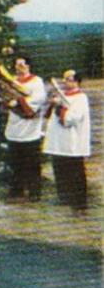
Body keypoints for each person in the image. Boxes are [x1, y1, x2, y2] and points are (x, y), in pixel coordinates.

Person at [43, 70, 90, 214]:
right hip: (58, 140)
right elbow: (47, 116)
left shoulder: (81, 97)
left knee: (75, 171)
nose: (65, 82)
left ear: (76, 81)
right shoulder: (62, 95)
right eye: (64, 79)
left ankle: (79, 202)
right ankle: (64, 197)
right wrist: (52, 103)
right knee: (60, 169)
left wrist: (59, 106)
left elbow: (72, 118)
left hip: (72, 141)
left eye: (69, 79)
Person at [0, 56, 46, 202]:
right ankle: (16, 191)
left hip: (30, 129)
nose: (18, 68)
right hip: (14, 127)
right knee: (15, 163)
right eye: (16, 65)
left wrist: (18, 102)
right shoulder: (12, 81)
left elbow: (38, 99)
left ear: (28, 66)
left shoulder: (36, 81)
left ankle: (34, 192)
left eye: (21, 65)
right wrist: (6, 101)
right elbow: (3, 97)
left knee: (32, 163)